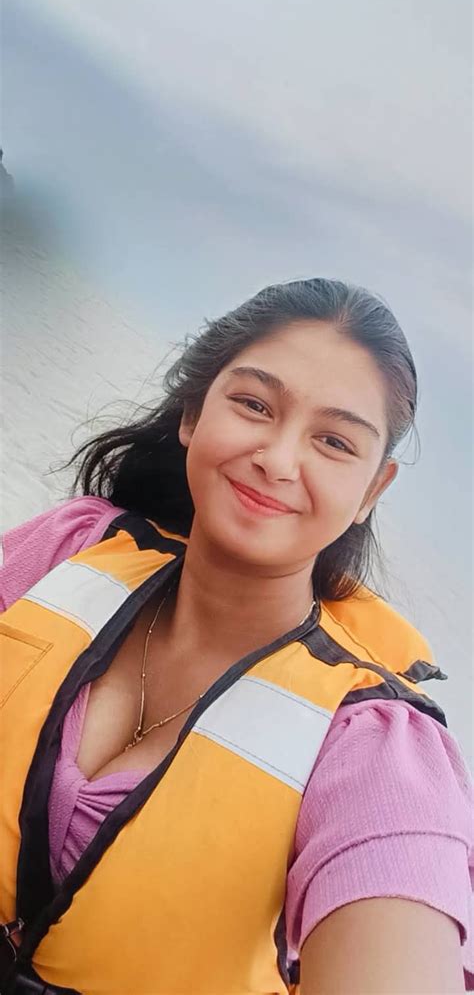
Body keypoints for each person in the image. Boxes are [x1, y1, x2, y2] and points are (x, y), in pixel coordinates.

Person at [0, 277, 472, 994]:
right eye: (254, 404)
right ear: (194, 412)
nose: (278, 459)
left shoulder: (375, 750)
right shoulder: (69, 549)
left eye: (334, 441)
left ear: (372, 491)